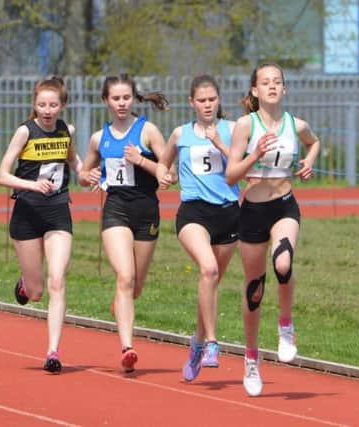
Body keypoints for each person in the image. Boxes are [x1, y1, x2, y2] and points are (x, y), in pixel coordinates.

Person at [226, 63, 320, 396]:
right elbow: (231, 175)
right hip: (252, 210)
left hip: (284, 205)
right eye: (265, 82)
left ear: (284, 89)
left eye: (277, 82)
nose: (271, 87)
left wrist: (309, 162)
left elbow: (314, 142)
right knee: (255, 289)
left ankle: (285, 325)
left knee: (283, 263)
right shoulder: (244, 126)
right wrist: (255, 155)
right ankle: (251, 359)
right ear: (254, 90)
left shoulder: (296, 124)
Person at [79, 74, 170, 373]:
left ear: (133, 98)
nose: (121, 103)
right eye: (116, 98)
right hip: (115, 210)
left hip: (147, 212)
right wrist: (87, 176)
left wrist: (142, 161)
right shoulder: (98, 137)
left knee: (136, 286)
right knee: (125, 277)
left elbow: (169, 173)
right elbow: (85, 173)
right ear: (106, 100)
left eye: (126, 98)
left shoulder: (148, 131)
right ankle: (127, 347)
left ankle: (121, 306)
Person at [0, 76, 82, 374]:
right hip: (27, 213)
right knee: (36, 292)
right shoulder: (25, 132)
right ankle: (25, 283)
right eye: (42, 104)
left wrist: (86, 174)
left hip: (58, 211)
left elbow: (74, 162)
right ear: (34, 105)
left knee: (57, 280)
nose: (47, 110)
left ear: (62, 105)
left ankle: (53, 351)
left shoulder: (66, 130)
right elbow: (2, 175)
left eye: (53, 104)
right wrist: (31, 185)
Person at [156, 74, 240, 382]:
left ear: (219, 100)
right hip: (193, 212)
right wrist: (164, 175)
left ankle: (196, 342)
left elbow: (243, 164)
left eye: (212, 100)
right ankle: (213, 344)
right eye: (201, 100)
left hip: (229, 213)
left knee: (212, 282)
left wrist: (221, 144)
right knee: (208, 270)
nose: (207, 105)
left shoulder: (233, 130)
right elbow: (163, 164)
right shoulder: (181, 134)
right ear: (191, 102)